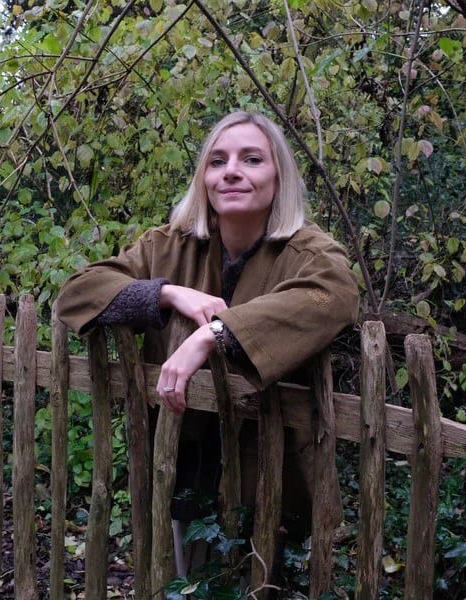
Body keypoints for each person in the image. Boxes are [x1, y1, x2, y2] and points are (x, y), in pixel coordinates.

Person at [54, 110, 359, 579]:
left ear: (279, 176)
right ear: (204, 179)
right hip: (184, 463)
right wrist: (167, 293)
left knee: (265, 582)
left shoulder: (308, 252)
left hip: (272, 475)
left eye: (251, 159)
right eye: (218, 161)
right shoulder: (168, 245)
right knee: (184, 579)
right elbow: (78, 292)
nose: (231, 171)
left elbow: (334, 294)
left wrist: (215, 333)